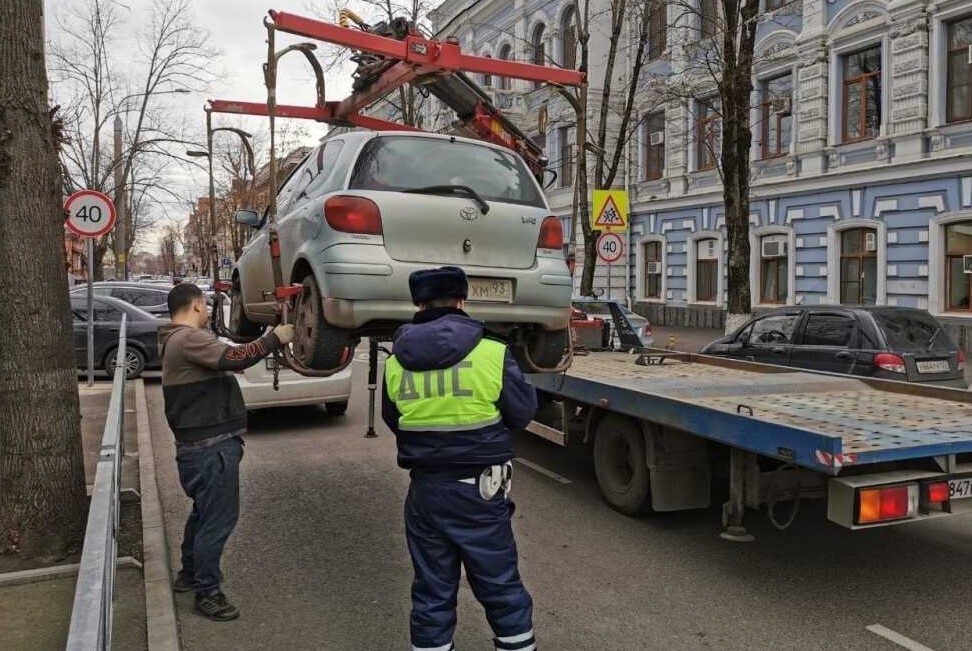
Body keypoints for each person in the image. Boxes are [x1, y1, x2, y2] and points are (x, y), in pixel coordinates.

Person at [382, 266, 539, 651]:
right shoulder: (492, 351)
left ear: (418, 303)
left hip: (426, 492)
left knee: (432, 590)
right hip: (480, 493)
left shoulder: (394, 362)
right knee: (500, 586)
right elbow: (522, 413)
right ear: (461, 300)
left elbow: (395, 420)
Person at [158, 282, 294, 621]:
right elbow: (235, 358)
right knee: (216, 522)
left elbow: (233, 350)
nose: (206, 311)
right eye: (204, 305)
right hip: (210, 450)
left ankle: (189, 574)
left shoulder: (176, 340)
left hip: (200, 447)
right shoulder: (188, 338)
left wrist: (266, 333)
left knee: (203, 514)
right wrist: (276, 338)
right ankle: (208, 592)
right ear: (195, 306)